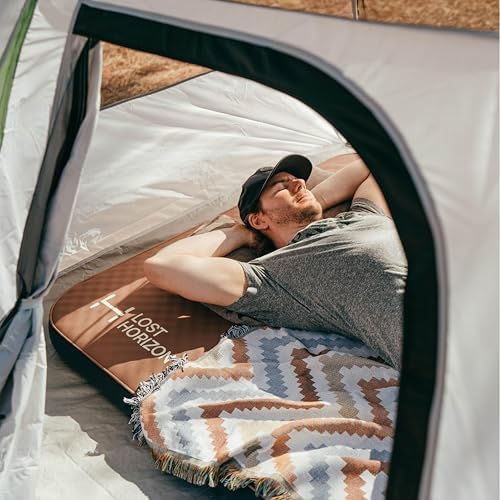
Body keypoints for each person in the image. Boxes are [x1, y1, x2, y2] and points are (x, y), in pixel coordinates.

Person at [144, 154, 407, 369]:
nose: (300, 184)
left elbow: (380, 161)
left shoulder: (363, 215)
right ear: (258, 219)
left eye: (300, 181)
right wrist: (241, 234)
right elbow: (161, 265)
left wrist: (314, 200)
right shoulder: (273, 278)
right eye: (282, 185)